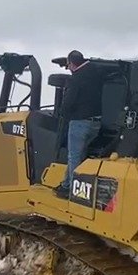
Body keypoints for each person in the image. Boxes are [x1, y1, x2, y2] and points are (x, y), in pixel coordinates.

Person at [55, 50, 106, 199]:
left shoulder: (76, 79)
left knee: (74, 156)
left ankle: (74, 190)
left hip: (80, 122)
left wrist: (62, 112)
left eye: (68, 65)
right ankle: (66, 184)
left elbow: (68, 103)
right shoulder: (96, 73)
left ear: (71, 63)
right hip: (96, 123)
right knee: (81, 154)